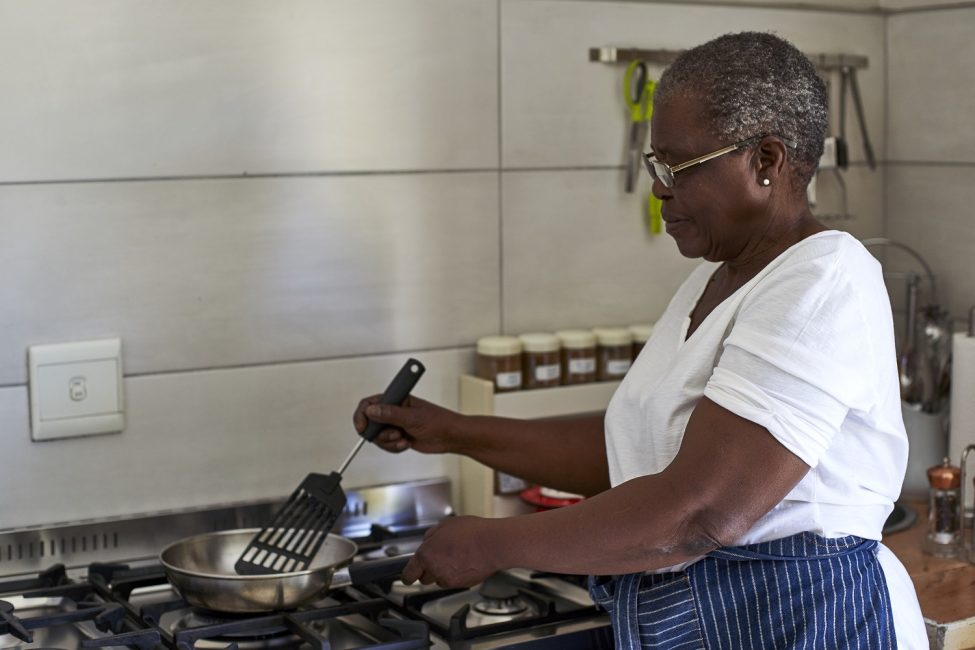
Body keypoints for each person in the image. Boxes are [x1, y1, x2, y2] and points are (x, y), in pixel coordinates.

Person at [354, 31, 927, 649]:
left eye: (677, 167)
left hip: (807, 624)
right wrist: (453, 432)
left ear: (765, 161)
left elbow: (699, 513)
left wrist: (495, 542)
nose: (658, 187)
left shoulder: (823, 278)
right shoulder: (717, 280)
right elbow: (634, 457)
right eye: (657, 165)